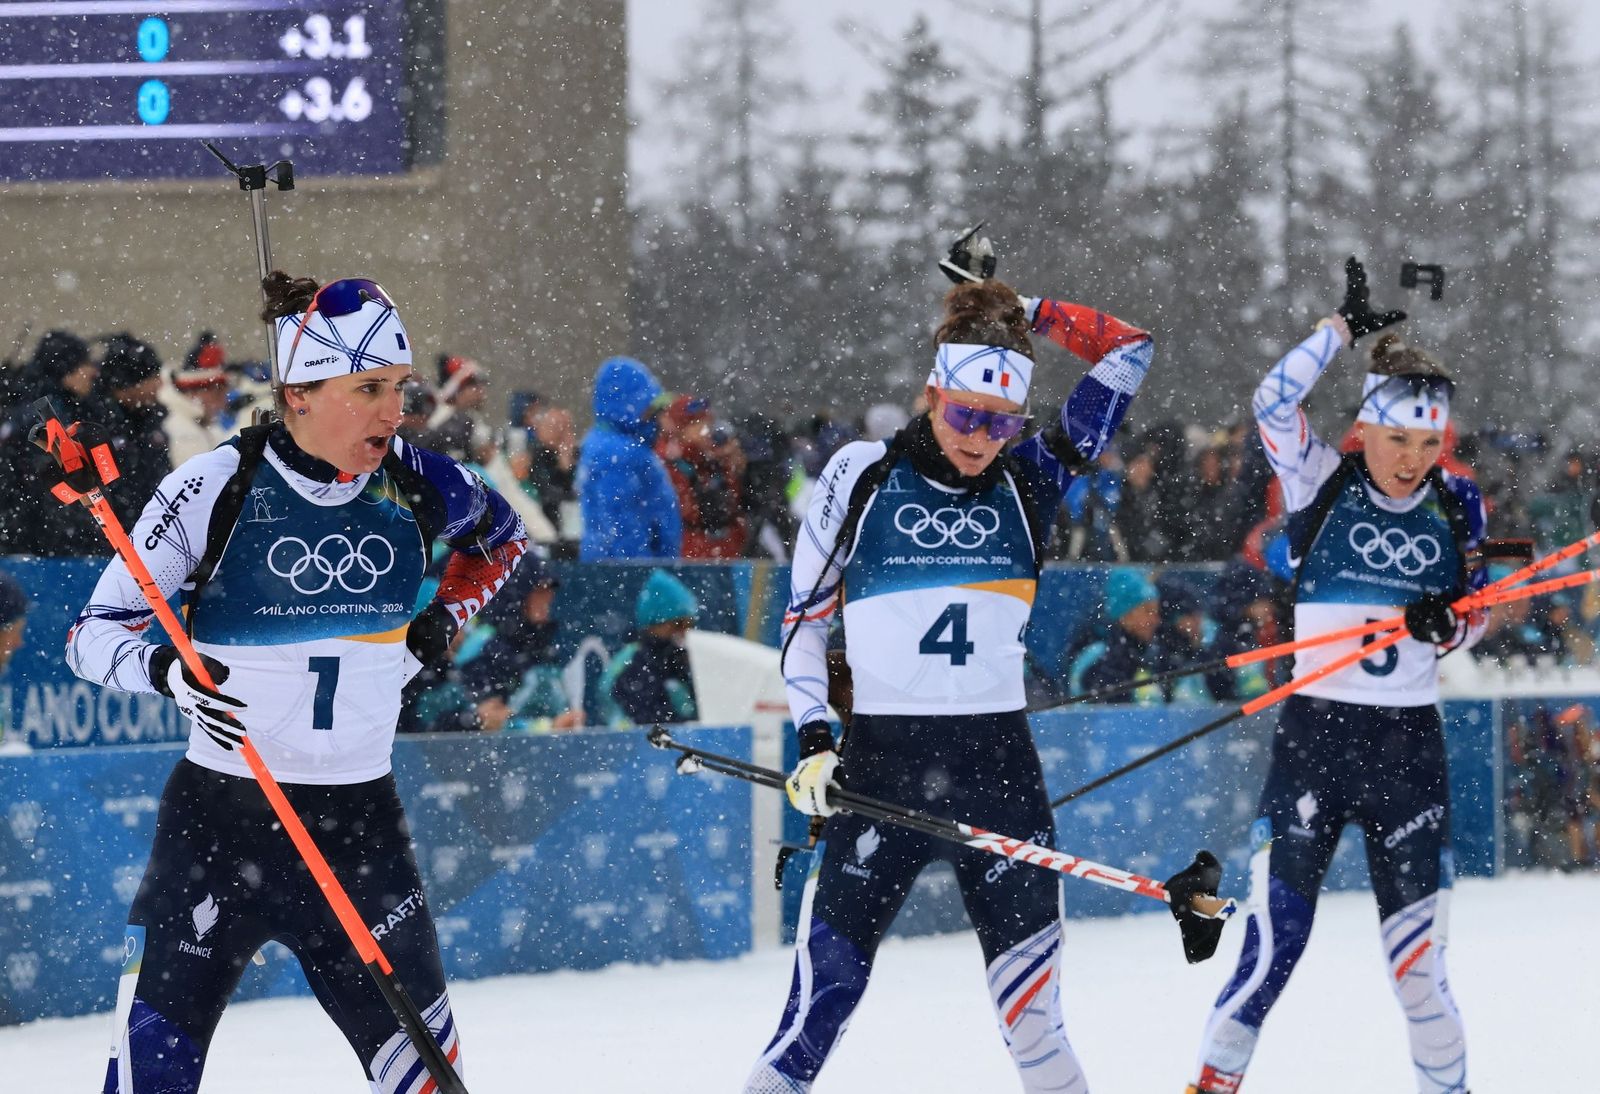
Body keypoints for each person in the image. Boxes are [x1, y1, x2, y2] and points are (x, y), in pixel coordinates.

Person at [65, 271, 527, 1092]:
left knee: (427, 1080)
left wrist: (439, 625)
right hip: (219, 827)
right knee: (147, 1080)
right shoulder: (214, 486)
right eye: (369, 389)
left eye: (399, 388)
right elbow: (91, 636)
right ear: (298, 394)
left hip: (359, 833)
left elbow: (504, 538)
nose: (393, 411)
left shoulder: (420, 481)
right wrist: (166, 671)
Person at [748, 236, 1161, 1093]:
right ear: (933, 393)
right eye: (967, 415)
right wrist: (816, 740)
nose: (981, 439)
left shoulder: (1031, 478)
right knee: (813, 1019)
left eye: (1002, 422)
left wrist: (1018, 309)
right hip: (879, 771)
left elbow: (1131, 350)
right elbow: (804, 625)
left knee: (1036, 1028)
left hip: (999, 775)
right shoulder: (861, 475)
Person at [1188, 258, 1488, 1094]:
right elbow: (1270, 403)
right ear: (1366, 429)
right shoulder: (1319, 477)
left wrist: (1452, 622)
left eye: (1429, 443)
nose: (1413, 459)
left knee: (1420, 978)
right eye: (1398, 439)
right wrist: (1339, 330)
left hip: (1409, 750)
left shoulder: (1456, 504)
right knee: (1269, 957)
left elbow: (1481, 610)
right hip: (1316, 741)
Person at [576, 356, 682, 561]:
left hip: (625, 566)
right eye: (649, 409)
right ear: (628, 405)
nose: (655, 418)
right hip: (631, 569)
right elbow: (620, 525)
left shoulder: (617, 446)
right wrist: (641, 570)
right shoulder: (617, 453)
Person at [598, 568, 700, 728]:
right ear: (654, 624)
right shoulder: (634, 664)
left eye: (689, 625)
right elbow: (652, 723)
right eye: (677, 625)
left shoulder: (672, 659)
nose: (684, 633)